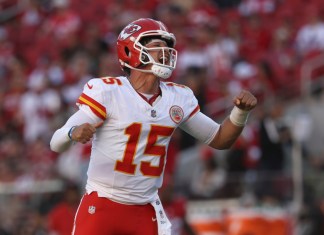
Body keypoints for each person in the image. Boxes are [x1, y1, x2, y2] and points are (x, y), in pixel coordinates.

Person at [50, 18, 257, 235]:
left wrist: (240, 112)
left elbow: (221, 139)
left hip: (144, 209)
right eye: (156, 46)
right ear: (130, 52)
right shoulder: (108, 92)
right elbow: (56, 142)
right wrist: (73, 133)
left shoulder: (178, 97)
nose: (164, 51)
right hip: (103, 203)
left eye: (166, 46)